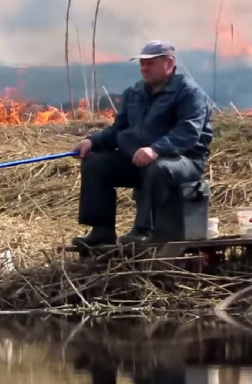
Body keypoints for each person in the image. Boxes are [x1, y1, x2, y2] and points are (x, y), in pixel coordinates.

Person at [72, 40, 214, 247]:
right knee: (95, 165)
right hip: (139, 158)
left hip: (183, 161)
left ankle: (143, 231)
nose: (144, 68)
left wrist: (156, 149)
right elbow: (119, 129)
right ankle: (101, 230)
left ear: (169, 63)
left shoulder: (189, 93)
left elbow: (188, 132)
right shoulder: (135, 93)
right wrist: (92, 141)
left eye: (150, 63)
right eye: (142, 64)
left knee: (158, 168)